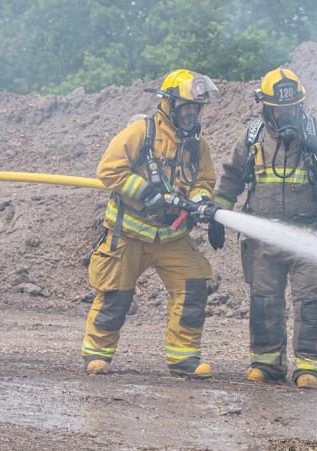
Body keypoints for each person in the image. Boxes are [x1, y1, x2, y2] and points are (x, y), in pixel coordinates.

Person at [211, 66, 317, 389]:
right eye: (280, 109)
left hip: (308, 238)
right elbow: (231, 178)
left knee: (311, 301)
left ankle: (311, 367)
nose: (287, 115)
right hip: (263, 237)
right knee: (264, 301)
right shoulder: (251, 138)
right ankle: (266, 363)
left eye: (292, 108)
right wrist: (219, 214)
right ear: (266, 108)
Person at [81, 69, 223, 379]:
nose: (191, 114)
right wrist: (147, 193)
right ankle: (97, 354)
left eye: (196, 108)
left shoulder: (198, 144)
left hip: (171, 236)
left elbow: (203, 180)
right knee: (115, 294)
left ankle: (183, 359)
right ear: (169, 105)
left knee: (194, 283)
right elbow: (109, 171)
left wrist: (200, 201)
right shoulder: (141, 133)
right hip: (130, 232)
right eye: (186, 107)